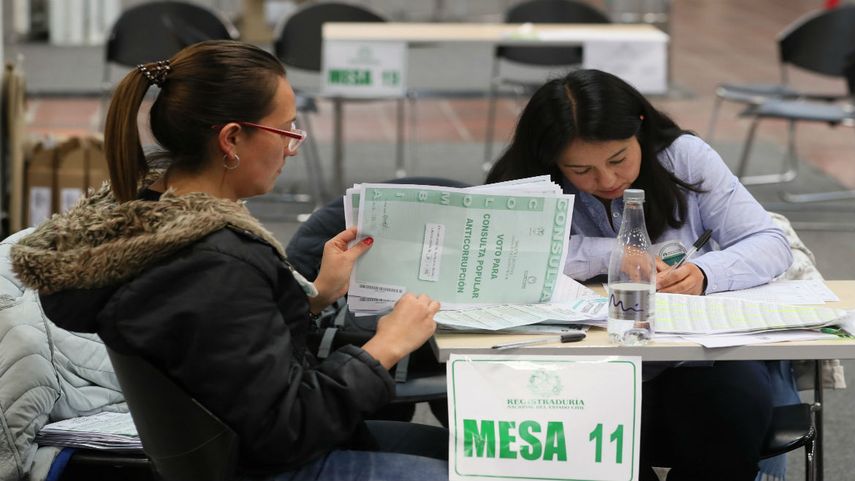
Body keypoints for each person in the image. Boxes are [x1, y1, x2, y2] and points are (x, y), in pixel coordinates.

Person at [11, 40, 448, 481]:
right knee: (474, 467)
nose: (291, 148)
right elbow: (288, 427)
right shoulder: (214, 262)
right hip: (270, 464)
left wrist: (314, 297)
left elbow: (226, 349)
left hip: (239, 450)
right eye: (286, 131)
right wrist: (386, 346)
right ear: (232, 138)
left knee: (453, 451)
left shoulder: (152, 218)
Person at [486, 69, 795, 481]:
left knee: (733, 403)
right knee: (559, 422)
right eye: (581, 170)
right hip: (574, 363)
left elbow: (770, 242)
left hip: (690, 360)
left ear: (640, 129)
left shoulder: (683, 156)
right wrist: (609, 252)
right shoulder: (525, 181)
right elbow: (499, 257)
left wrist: (704, 273)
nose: (608, 180)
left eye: (618, 159)